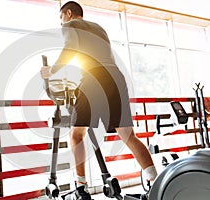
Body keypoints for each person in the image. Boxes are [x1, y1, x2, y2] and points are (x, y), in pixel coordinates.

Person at [40, 1, 157, 199]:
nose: (61, 24)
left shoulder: (70, 25)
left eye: (61, 18)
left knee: (77, 134)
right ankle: (156, 182)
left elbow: (70, 49)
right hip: (116, 78)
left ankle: (81, 187)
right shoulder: (98, 28)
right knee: (128, 136)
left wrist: (50, 71)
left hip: (94, 78)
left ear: (68, 13)